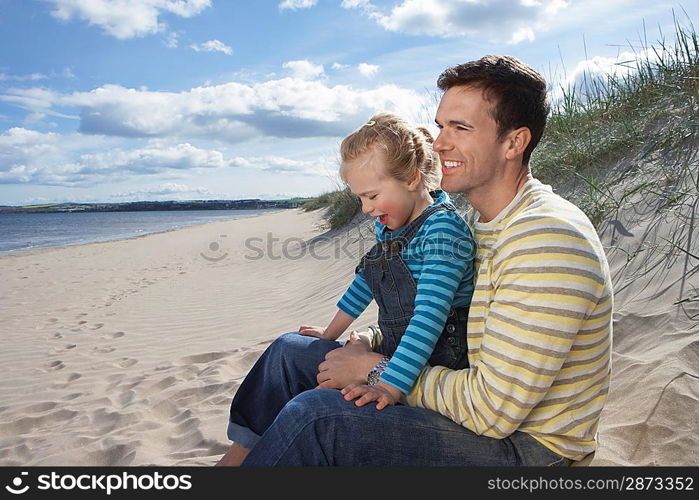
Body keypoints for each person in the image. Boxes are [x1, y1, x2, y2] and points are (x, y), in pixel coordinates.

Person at [216, 55, 613, 466]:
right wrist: (370, 339)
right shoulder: (478, 223)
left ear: (514, 143)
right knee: (288, 354)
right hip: (470, 400)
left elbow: (492, 411)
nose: (439, 143)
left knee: (316, 419)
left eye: (461, 128)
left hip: (527, 450)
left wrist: (374, 370)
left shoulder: (547, 238)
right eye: (441, 125)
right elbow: (434, 311)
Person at [297, 112, 475, 408]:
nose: (366, 209)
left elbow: (429, 318)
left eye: (372, 196)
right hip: (398, 353)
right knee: (296, 356)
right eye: (360, 199)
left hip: (438, 361)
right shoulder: (388, 226)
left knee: (317, 405)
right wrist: (329, 334)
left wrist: (389, 386)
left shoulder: (442, 231)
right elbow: (366, 283)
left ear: (411, 178)